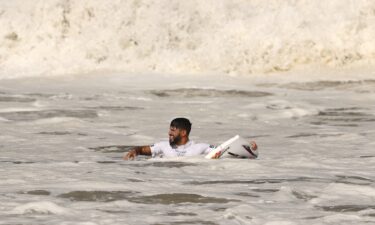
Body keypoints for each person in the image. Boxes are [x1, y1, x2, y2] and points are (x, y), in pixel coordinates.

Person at [123, 117, 257, 160]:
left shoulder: (200, 147)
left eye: (173, 130)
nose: (169, 133)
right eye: (170, 129)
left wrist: (248, 147)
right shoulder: (163, 146)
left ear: (183, 133)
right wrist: (134, 151)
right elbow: (141, 149)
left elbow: (224, 151)